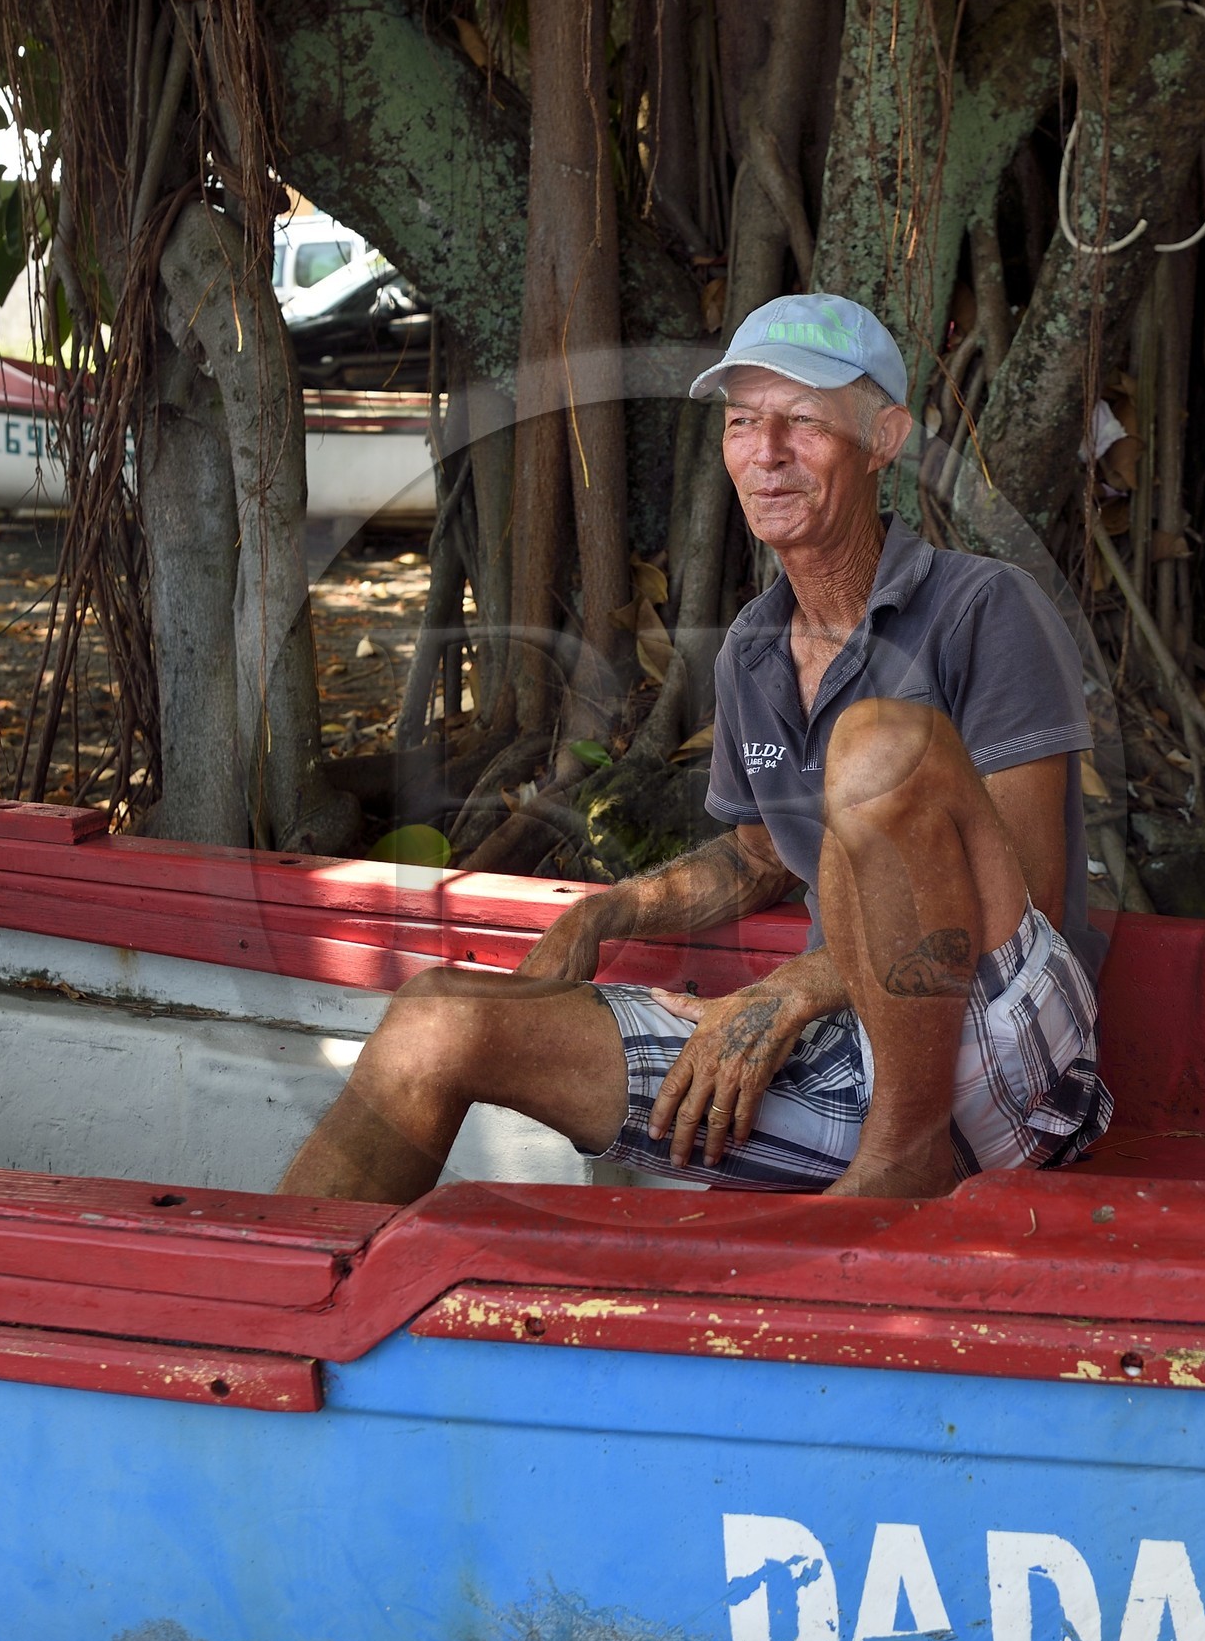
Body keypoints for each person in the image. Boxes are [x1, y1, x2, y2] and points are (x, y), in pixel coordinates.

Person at [280, 292, 1111, 1203]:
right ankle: (277, 1319)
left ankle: (900, 1162)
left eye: (803, 421)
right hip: (847, 1048)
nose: (768, 453)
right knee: (435, 1019)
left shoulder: (984, 607)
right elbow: (758, 857)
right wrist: (599, 915)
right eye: (744, 421)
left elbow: (1024, 896)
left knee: (874, 748)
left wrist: (786, 990)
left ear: (885, 439)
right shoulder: (755, 647)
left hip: (1007, 1053)